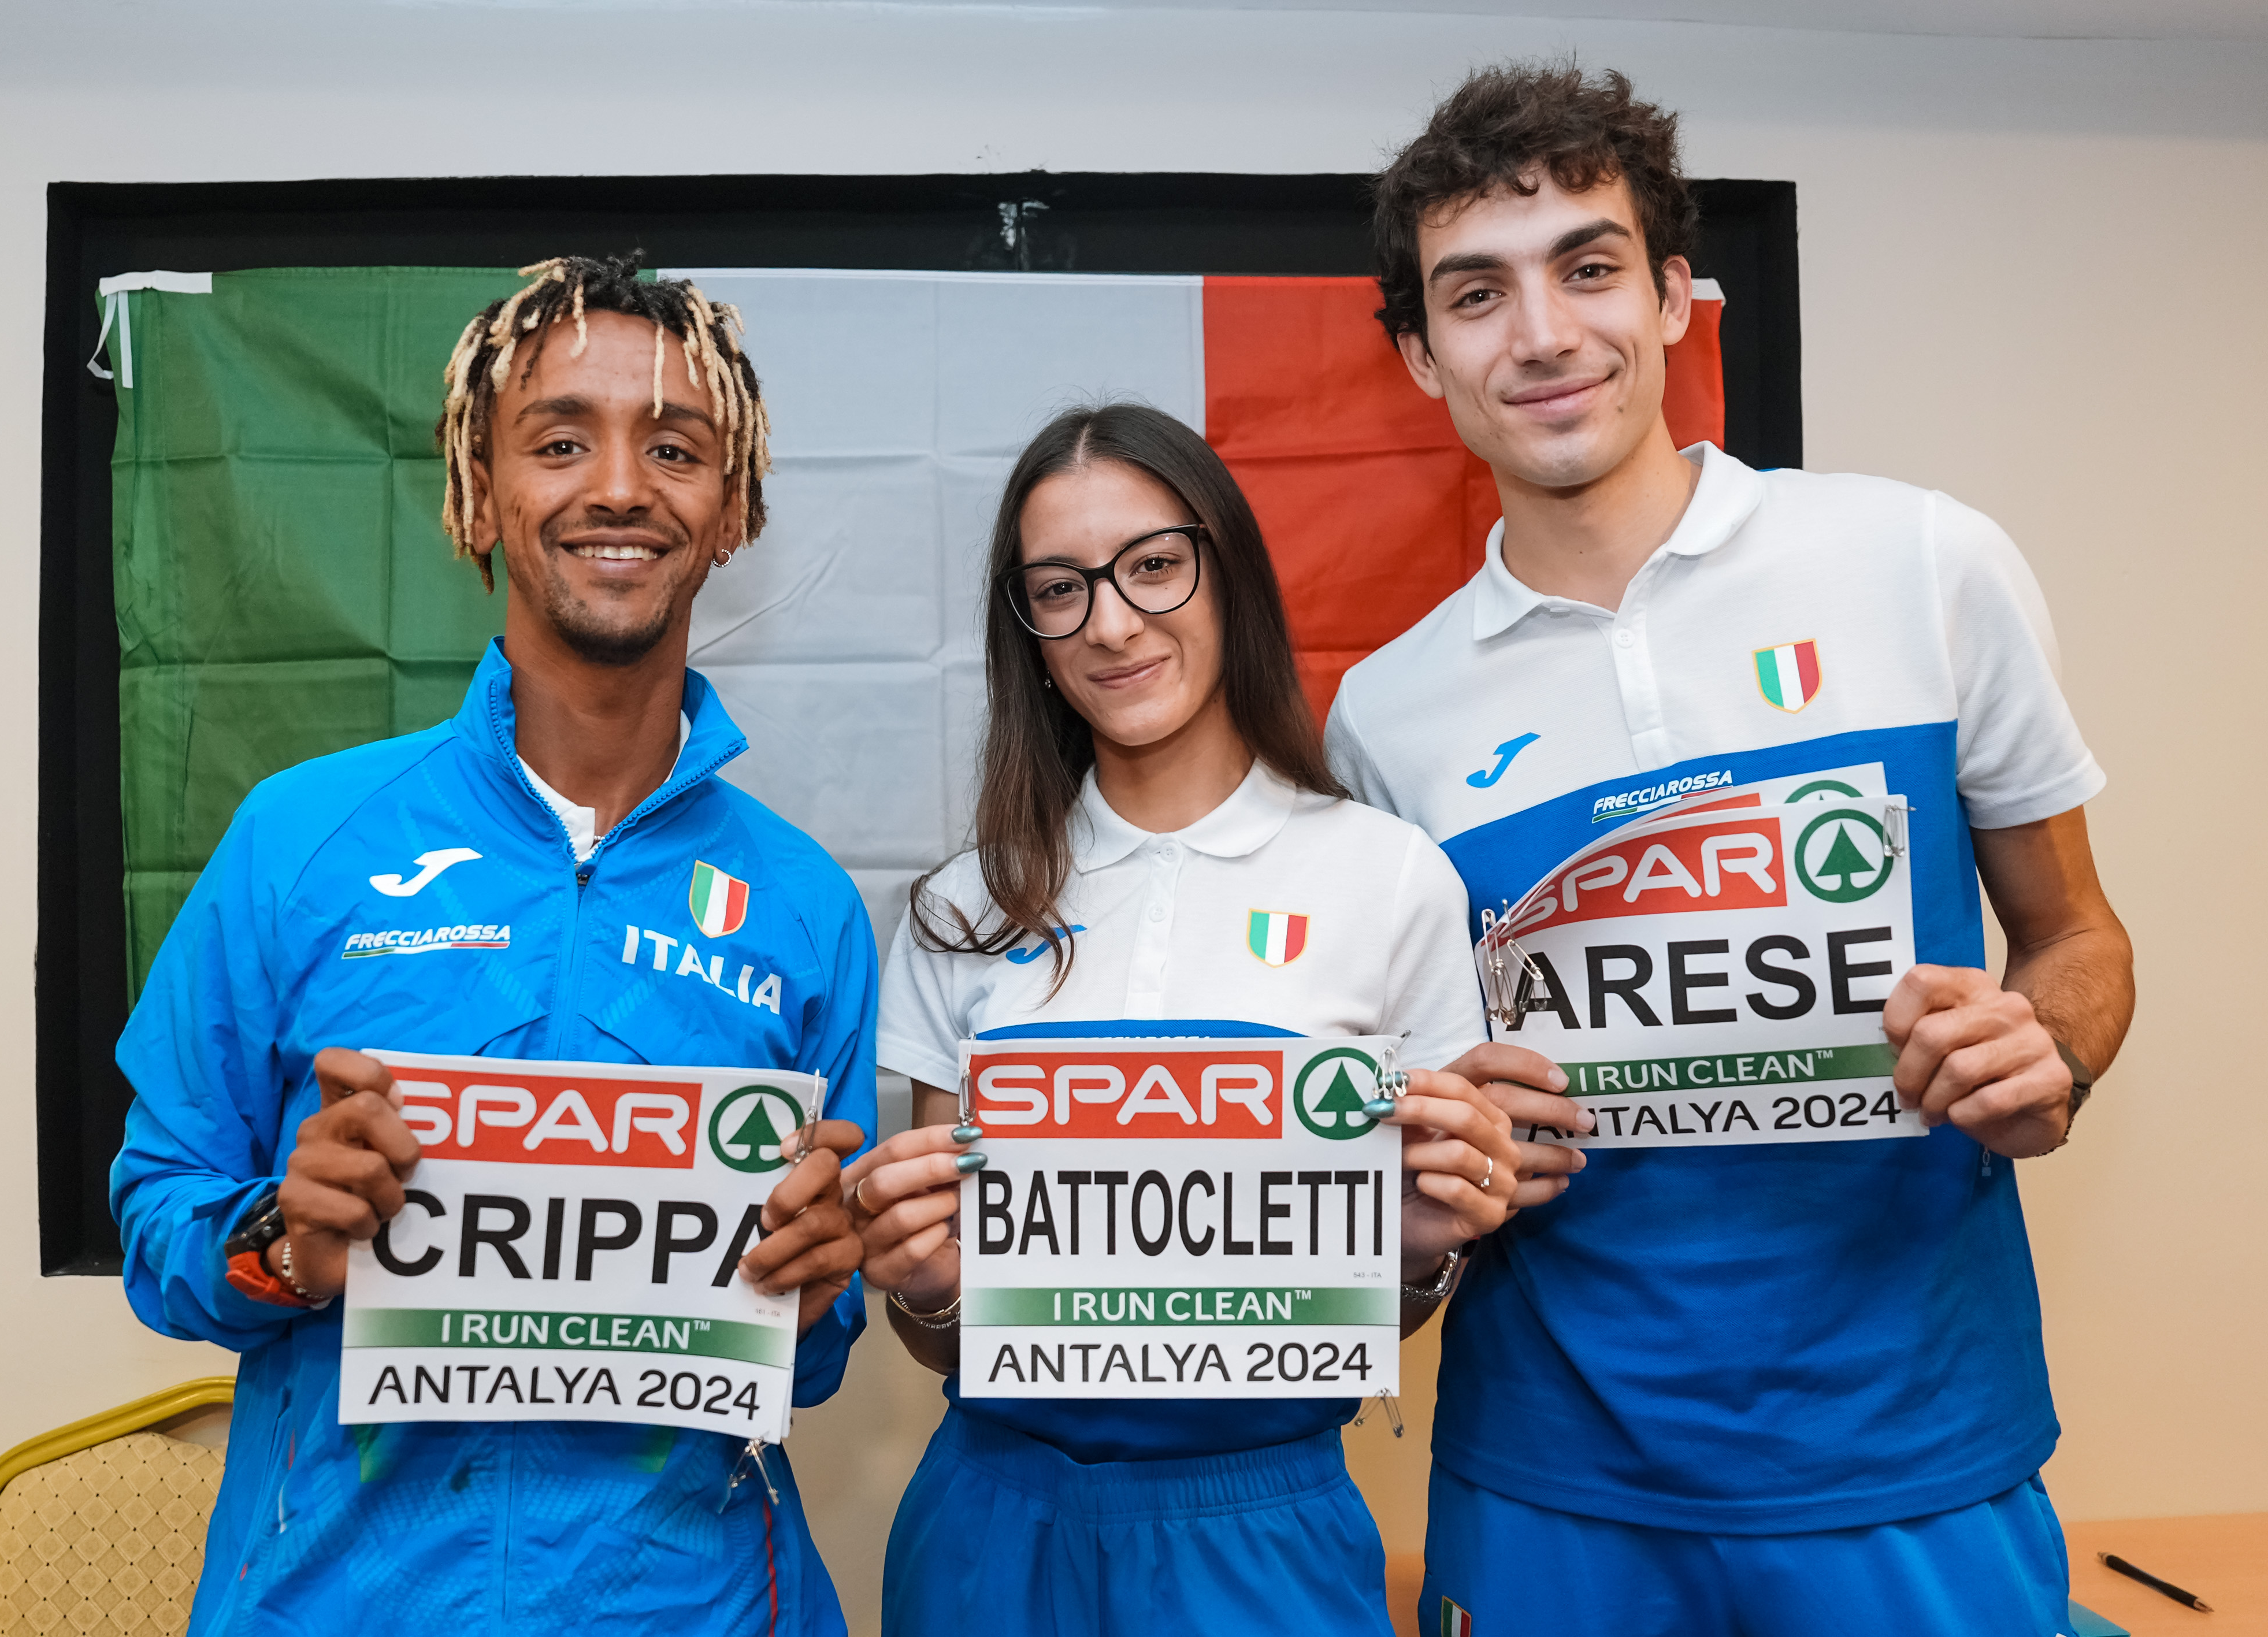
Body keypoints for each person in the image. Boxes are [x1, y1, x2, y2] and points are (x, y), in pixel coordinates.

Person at [1328, 65, 2137, 1636]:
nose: (1542, 334)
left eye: (1588, 266)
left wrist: (2047, 1052)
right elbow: (1411, 1100)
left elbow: (2078, 938)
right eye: (1476, 294)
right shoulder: (1386, 714)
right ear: (1423, 357)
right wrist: (1447, 1130)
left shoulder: (1921, 560)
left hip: (1912, 1445)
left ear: (1673, 296)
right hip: (1550, 1472)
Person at [110, 256, 875, 1636]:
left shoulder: (806, 905)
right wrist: (283, 1243)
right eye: (561, 441)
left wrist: (818, 1287)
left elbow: (811, 1360)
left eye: (676, 448)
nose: (621, 488)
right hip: (336, 1607)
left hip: (696, 1610)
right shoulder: (299, 839)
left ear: (733, 506)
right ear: (480, 486)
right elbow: (160, 1208)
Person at [843, 402, 1531, 1637]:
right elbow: (942, 1329)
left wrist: (1421, 1249)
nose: (1111, 623)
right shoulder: (962, 906)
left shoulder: (1389, 877)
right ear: (1026, 630)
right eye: (1060, 589)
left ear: (1230, 572)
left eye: (1154, 565)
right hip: (991, 1522)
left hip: (1265, 1527)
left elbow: (1379, 1304)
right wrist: (928, 1285)